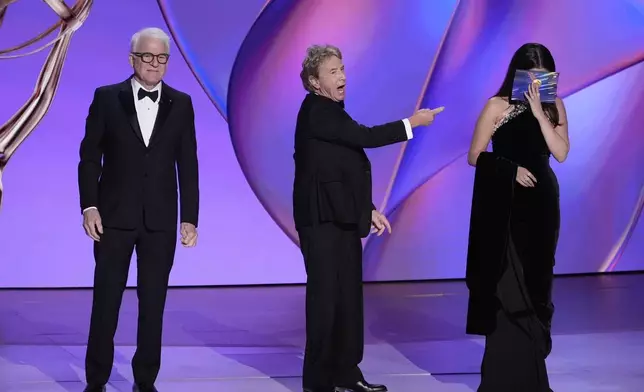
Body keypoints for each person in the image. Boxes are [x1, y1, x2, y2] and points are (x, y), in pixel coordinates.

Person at [293, 44, 444, 392]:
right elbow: (366, 137)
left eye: (342, 68)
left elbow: (341, 169)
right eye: (333, 72)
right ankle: (317, 383)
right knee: (325, 303)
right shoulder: (318, 111)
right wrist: (413, 123)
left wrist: (367, 210)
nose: (342, 76)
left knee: (347, 300)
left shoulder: (332, 112)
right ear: (315, 82)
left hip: (342, 217)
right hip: (321, 222)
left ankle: (347, 373)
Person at [78, 27, 199, 392]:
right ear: (132, 59)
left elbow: (188, 164)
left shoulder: (182, 103)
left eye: (161, 57)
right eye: (147, 56)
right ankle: (96, 380)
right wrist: (89, 206)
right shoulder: (106, 98)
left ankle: (145, 381)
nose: (154, 64)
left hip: (160, 221)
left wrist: (190, 217)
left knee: (153, 305)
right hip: (113, 219)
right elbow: (89, 158)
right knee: (106, 302)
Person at [465, 43, 569, 392]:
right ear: (517, 74)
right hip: (505, 208)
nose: (537, 85)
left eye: (544, 79)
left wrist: (541, 113)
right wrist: (510, 171)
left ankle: (533, 380)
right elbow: (475, 155)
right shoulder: (497, 106)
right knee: (509, 289)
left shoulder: (555, 107)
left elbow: (561, 152)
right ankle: (500, 381)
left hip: (542, 206)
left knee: (539, 285)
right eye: (531, 78)